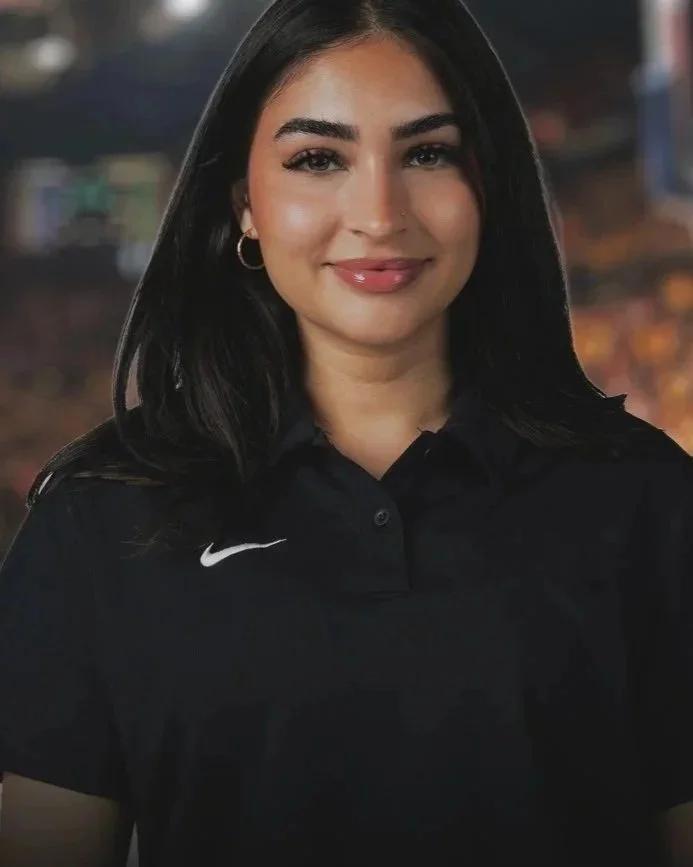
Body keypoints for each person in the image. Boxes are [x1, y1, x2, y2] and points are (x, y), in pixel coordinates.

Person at [1, 0, 692, 865]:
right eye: (317, 158)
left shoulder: (646, 501)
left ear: (489, 187)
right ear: (243, 205)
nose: (378, 211)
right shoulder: (98, 520)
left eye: (428, 153)